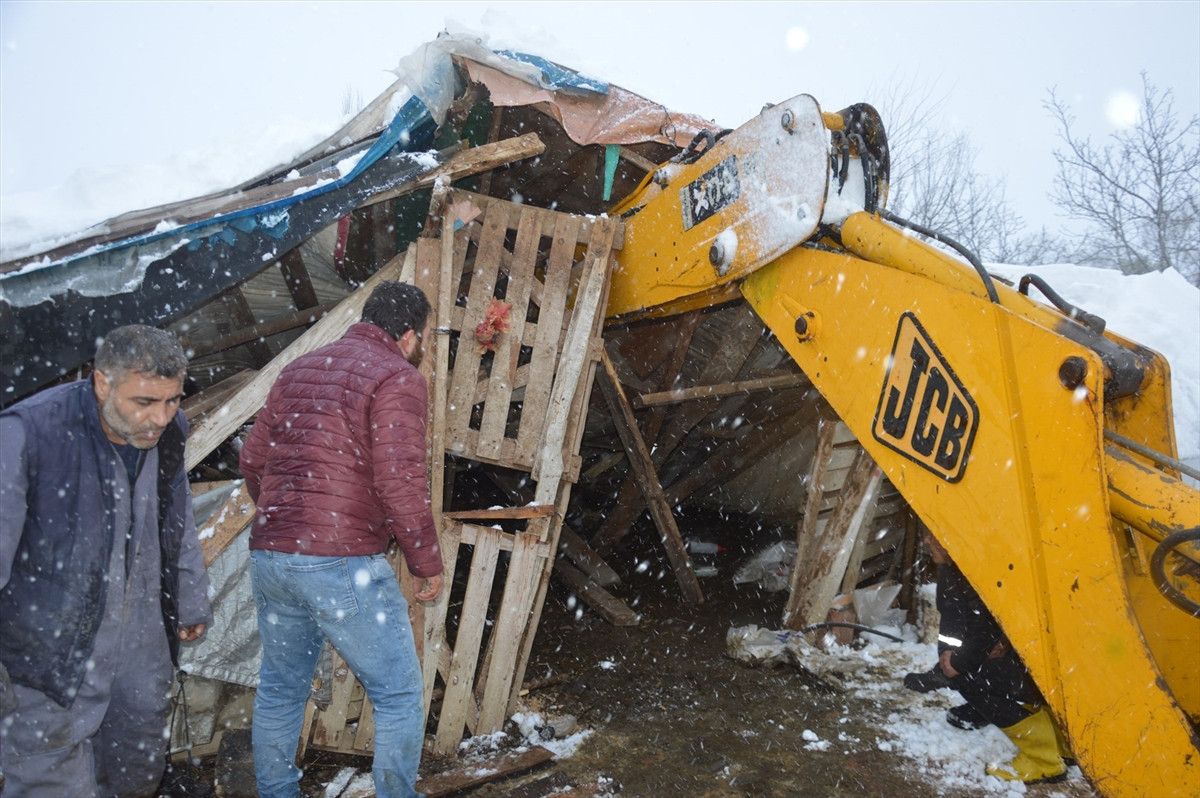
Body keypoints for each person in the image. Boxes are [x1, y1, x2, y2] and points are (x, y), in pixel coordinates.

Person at [239, 281, 444, 798]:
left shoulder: (299, 369)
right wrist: (425, 562)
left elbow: (252, 459)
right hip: (339, 559)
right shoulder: (397, 376)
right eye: (425, 337)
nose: (423, 347)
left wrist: (285, 520)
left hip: (271, 556)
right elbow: (399, 481)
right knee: (397, 694)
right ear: (407, 336)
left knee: (282, 688)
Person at [0, 324, 213, 796]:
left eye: (172, 400)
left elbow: (176, 516)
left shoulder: (169, 433)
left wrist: (189, 597)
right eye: (144, 402)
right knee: (50, 782)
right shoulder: (29, 434)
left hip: (138, 637)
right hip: (43, 648)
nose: (160, 417)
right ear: (102, 383)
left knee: (135, 768)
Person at [904, 531, 1070, 784]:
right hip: (1035, 656)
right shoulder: (966, 565)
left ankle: (1044, 760)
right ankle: (1062, 744)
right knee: (984, 675)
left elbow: (983, 625)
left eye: (935, 536)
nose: (927, 541)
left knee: (970, 681)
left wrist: (958, 664)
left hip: (1024, 659)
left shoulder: (973, 572)